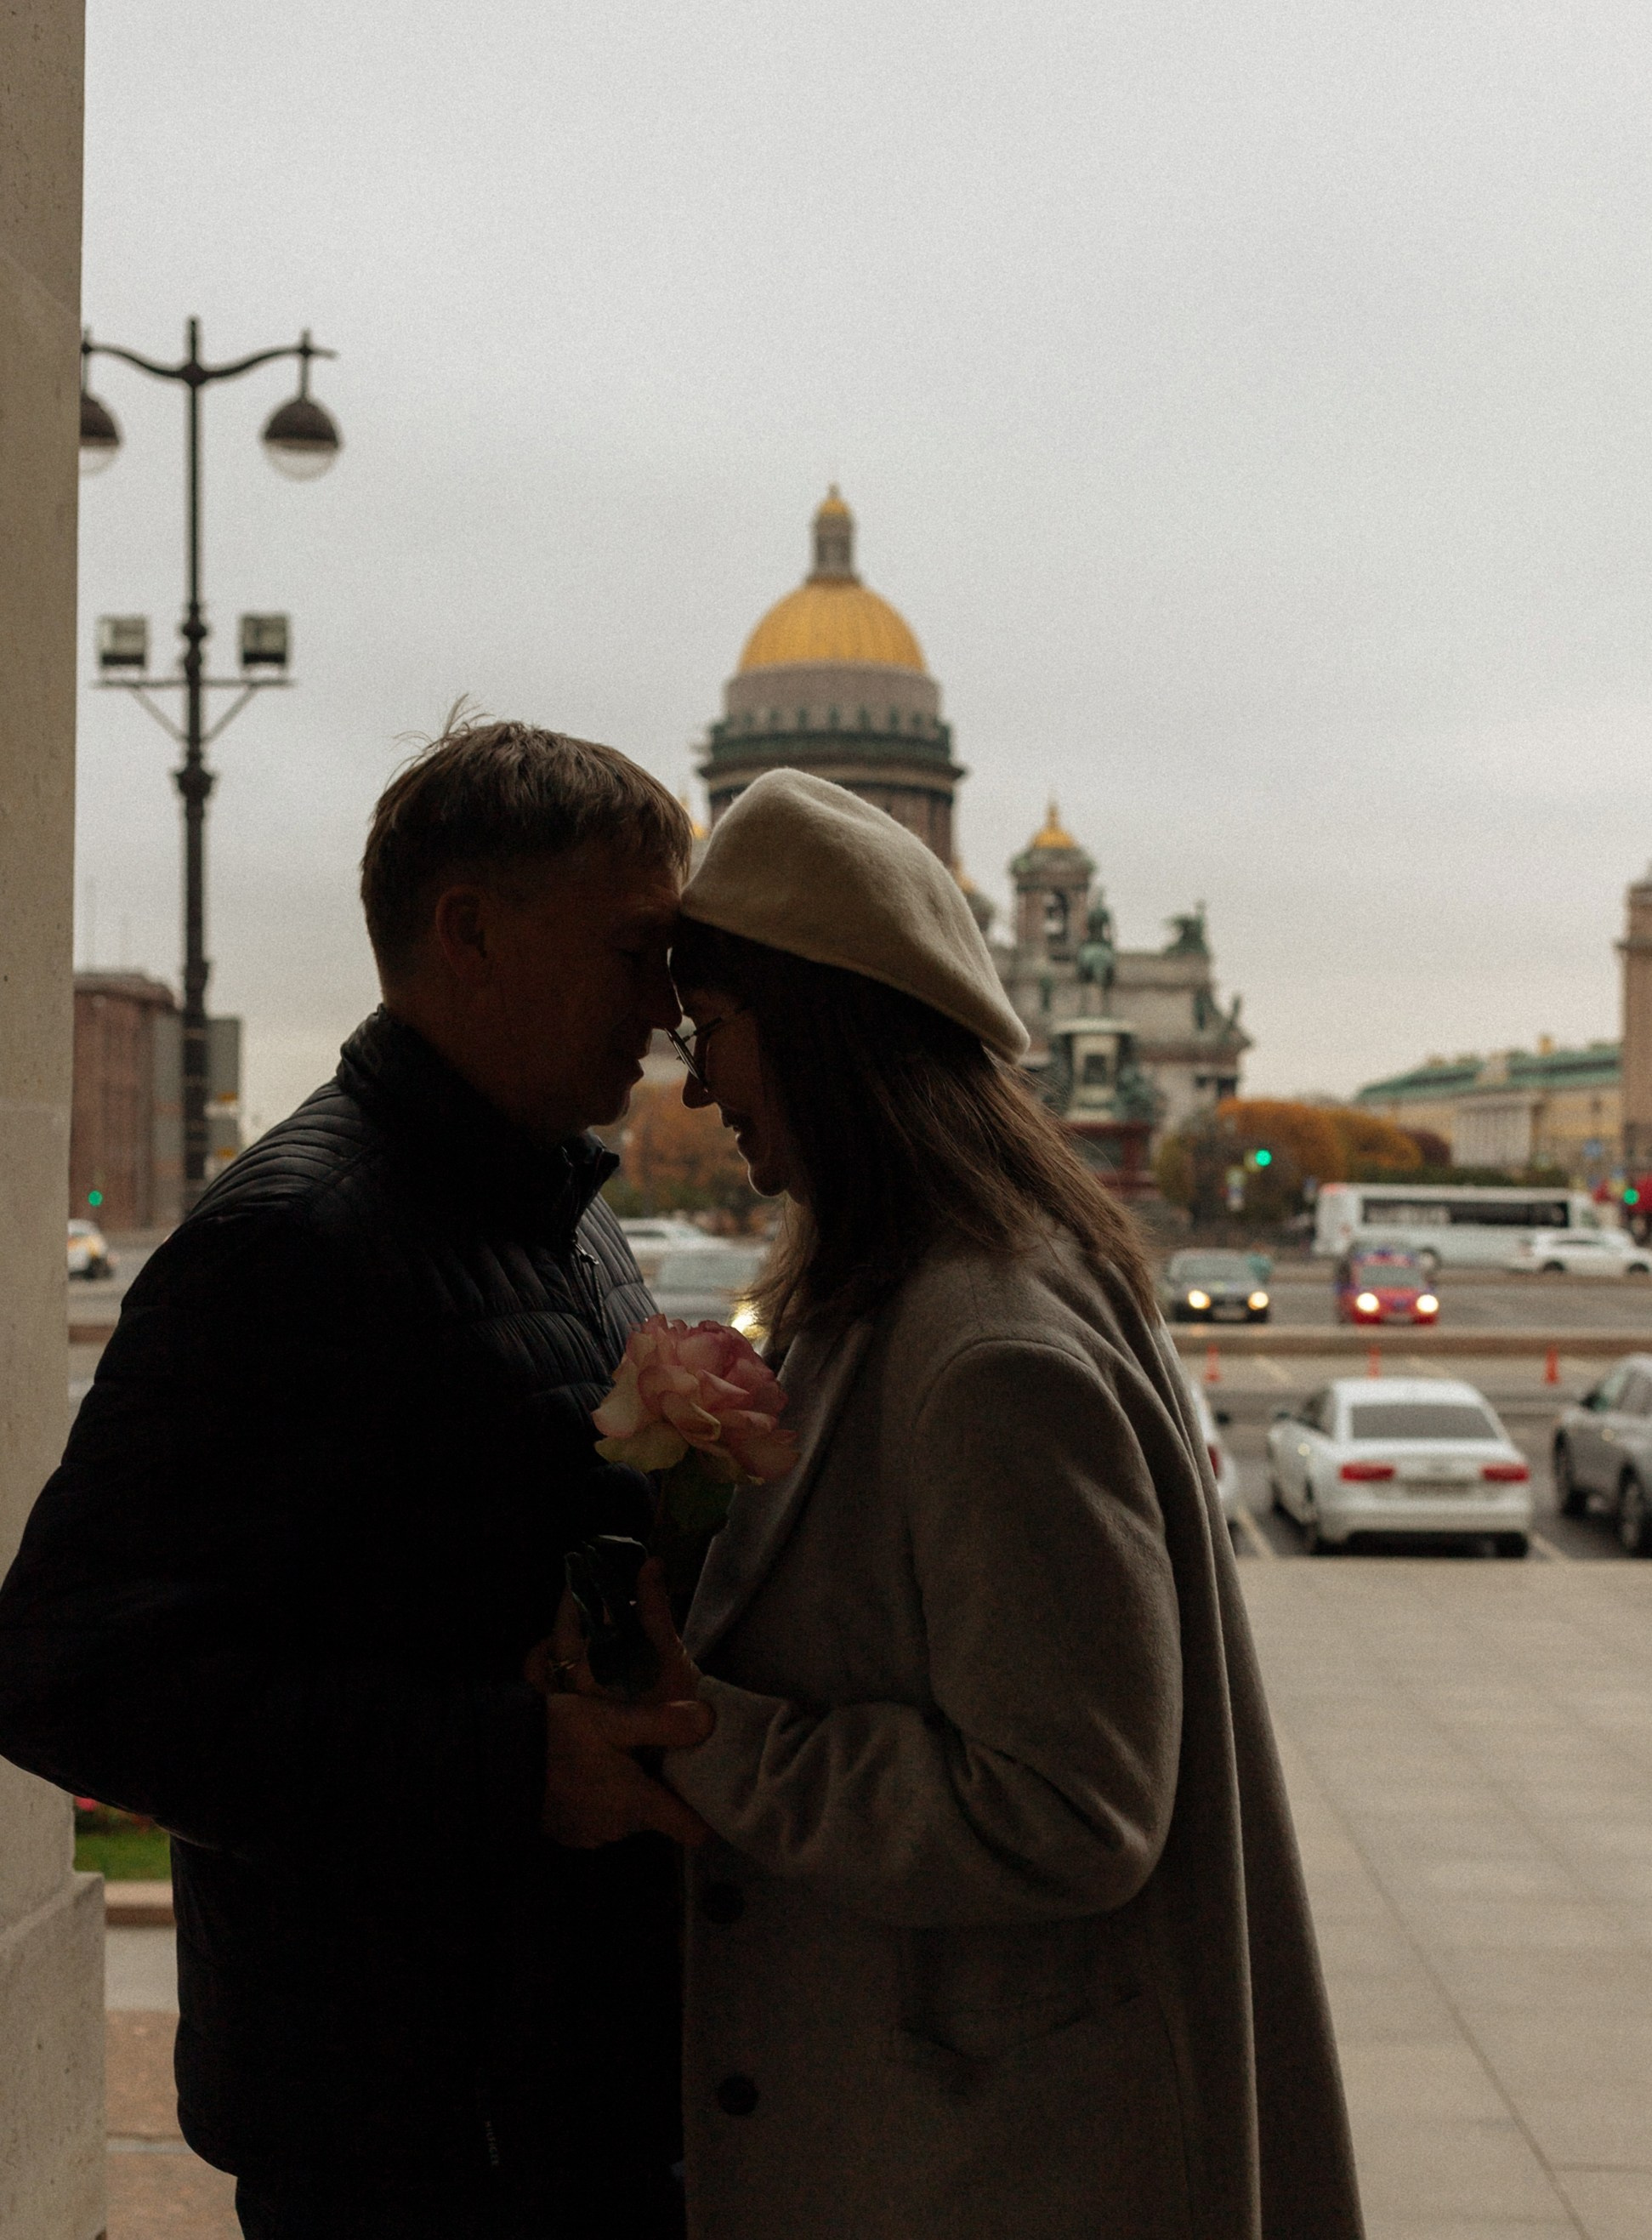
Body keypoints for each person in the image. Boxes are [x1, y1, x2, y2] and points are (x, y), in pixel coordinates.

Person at [626, 770, 1366, 2237]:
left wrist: (708, 1731)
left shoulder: (985, 1351)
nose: (699, 1087)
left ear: (827, 1027)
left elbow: (1065, 1808)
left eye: (713, 1029)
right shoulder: (923, 1284)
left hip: (996, 2165)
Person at [0, 719, 715, 2240]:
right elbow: (62, 1671)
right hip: (411, 2136)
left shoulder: (555, 1204)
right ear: (468, 930)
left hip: (545, 2098)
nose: (670, 1011)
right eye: (636, 947)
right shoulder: (291, 1242)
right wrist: (510, 1758)